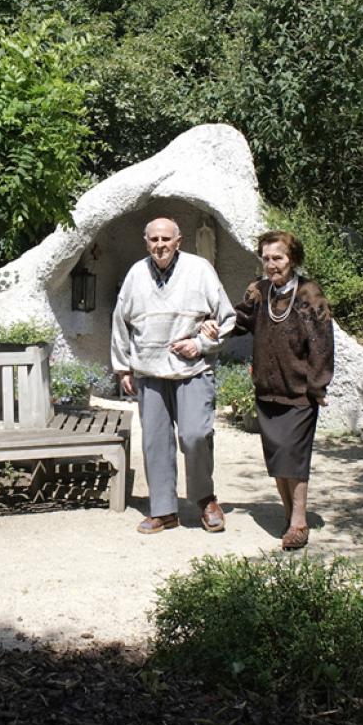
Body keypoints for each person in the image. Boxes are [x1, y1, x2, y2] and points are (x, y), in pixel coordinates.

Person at [204, 230, 333, 550]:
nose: (272, 264)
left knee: (295, 457)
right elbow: (239, 321)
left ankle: (299, 522)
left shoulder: (309, 294)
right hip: (267, 390)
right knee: (277, 458)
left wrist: (318, 385)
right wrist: (212, 326)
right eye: (267, 258)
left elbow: (321, 343)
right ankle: (291, 517)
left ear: (293, 259)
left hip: (299, 391)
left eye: (279, 258)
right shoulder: (258, 292)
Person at [111, 217, 236, 534]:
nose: (159, 245)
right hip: (150, 372)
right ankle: (164, 510)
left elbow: (227, 317)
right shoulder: (136, 274)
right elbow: (120, 321)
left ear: (178, 241)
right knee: (155, 442)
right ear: (146, 241)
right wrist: (123, 366)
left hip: (192, 371)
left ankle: (205, 500)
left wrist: (201, 343)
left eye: (166, 239)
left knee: (195, 436)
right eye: (153, 239)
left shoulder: (199, 270)